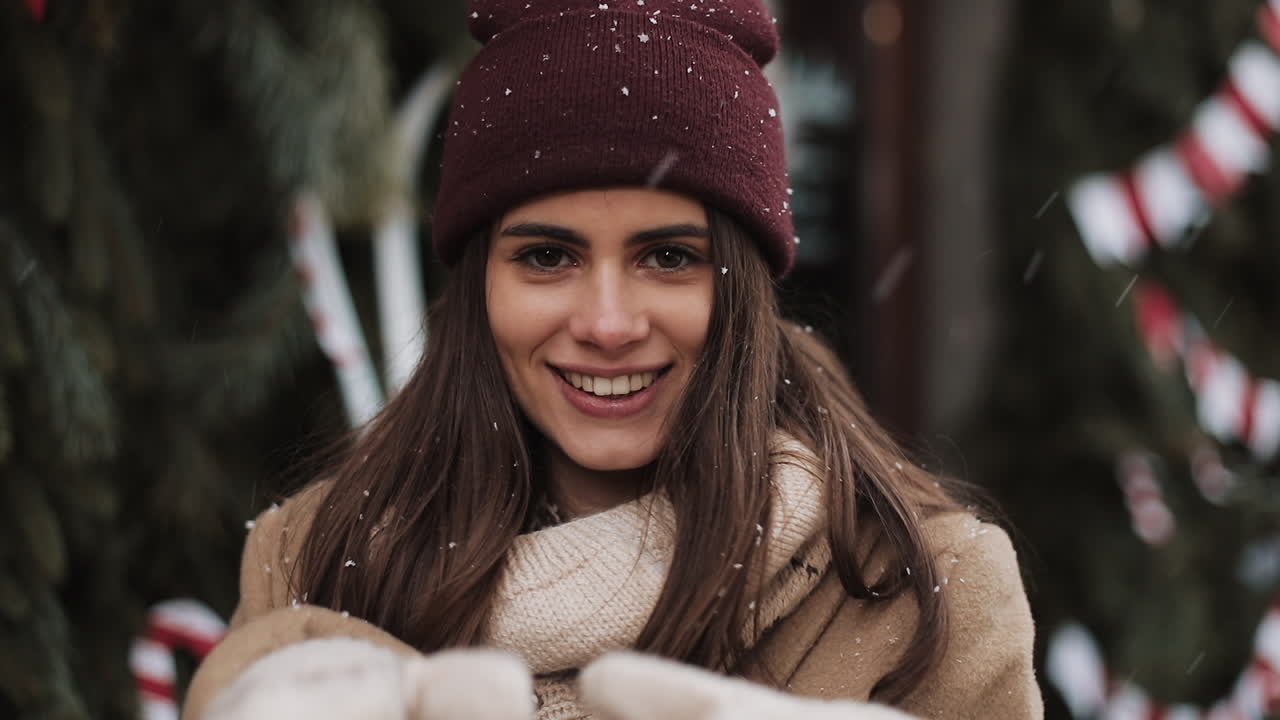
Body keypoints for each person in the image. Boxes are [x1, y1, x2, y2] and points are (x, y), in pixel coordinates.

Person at [185, 1, 1042, 718]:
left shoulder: (933, 595)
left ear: (742, 289)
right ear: (479, 287)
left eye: (668, 257)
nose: (606, 323)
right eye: (546, 256)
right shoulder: (312, 558)